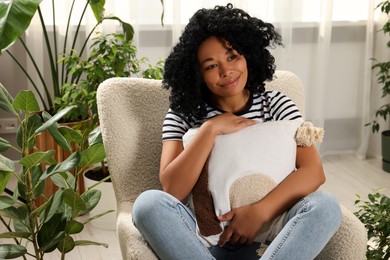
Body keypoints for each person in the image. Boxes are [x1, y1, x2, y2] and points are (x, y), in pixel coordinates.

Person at [132, 3, 342, 260]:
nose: (226, 71)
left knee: (326, 206)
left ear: (248, 55)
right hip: (201, 239)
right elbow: (172, 189)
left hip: (273, 235)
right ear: (196, 73)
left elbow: (313, 172)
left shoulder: (276, 104)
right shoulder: (182, 115)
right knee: (147, 204)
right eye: (211, 66)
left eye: (232, 56)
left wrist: (260, 212)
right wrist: (209, 130)